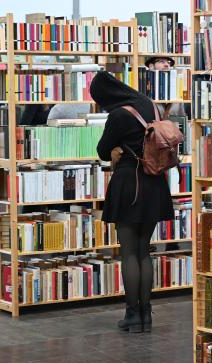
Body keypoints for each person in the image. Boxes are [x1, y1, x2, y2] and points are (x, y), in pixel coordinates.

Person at [90, 71, 174, 333]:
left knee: (129, 253)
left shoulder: (118, 115)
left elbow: (104, 151)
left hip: (129, 183)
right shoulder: (153, 106)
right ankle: (147, 316)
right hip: (155, 182)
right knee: (144, 250)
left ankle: (132, 315)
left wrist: (116, 150)